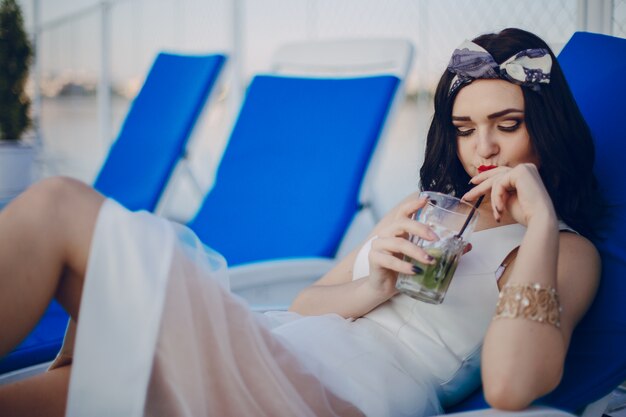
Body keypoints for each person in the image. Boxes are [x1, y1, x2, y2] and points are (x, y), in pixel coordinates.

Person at [0, 27, 601, 417]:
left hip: (331, 397)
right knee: (66, 388)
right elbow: (308, 302)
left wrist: (542, 222)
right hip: (277, 348)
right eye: (465, 130)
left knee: (60, 206)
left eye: (507, 124)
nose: (482, 150)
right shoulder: (426, 208)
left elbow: (511, 386)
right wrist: (373, 286)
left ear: (545, 129)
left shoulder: (563, 251)